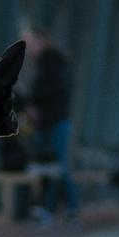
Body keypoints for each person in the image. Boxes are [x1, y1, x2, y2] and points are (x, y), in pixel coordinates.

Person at [27, 27, 79, 224]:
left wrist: (33, 103)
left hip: (54, 121)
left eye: (29, 42)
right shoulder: (50, 63)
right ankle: (58, 207)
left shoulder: (50, 64)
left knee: (56, 165)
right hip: (51, 121)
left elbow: (50, 92)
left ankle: (63, 207)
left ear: (41, 41)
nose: (27, 47)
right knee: (51, 166)